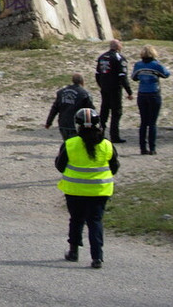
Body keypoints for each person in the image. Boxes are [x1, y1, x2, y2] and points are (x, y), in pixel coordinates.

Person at [56, 107, 119, 269]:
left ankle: (74, 251)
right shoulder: (107, 145)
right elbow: (114, 167)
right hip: (100, 191)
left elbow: (60, 166)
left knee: (76, 220)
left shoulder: (70, 144)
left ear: (77, 125)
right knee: (95, 222)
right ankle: (97, 257)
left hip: (75, 190)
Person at [131, 45, 171, 155]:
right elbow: (166, 74)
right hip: (154, 93)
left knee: (143, 121)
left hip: (142, 94)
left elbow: (134, 77)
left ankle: (142, 148)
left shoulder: (138, 65)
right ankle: (152, 148)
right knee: (152, 122)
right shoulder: (156, 65)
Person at [94, 39, 133, 143]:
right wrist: (129, 92)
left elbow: (97, 74)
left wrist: (101, 85)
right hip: (115, 89)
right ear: (117, 46)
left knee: (104, 111)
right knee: (116, 112)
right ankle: (114, 136)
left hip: (105, 88)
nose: (122, 45)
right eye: (121, 43)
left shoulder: (102, 57)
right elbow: (123, 76)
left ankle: (100, 134)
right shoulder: (119, 58)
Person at [45, 73, 95, 141]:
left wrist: (49, 122)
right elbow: (90, 111)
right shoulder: (84, 94)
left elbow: (54, 109)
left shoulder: (61, 92)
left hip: (63, 124)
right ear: (82, 82)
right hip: (75, 125)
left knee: (67, 144)